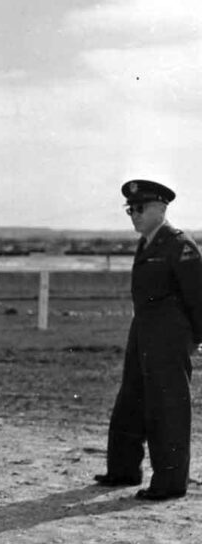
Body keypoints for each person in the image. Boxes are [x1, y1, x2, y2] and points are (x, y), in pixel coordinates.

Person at [94, 179, 202, 501]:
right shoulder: (147, 243)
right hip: (142, 329)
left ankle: (170, 483)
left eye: (140, 208)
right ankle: (123, 469)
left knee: (167, 406)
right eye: (130, 209)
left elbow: (198, 298)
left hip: (169, 334)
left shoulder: (179, 245)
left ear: (161, 208)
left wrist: (196, 339)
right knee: (131, 400)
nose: (134, 215)